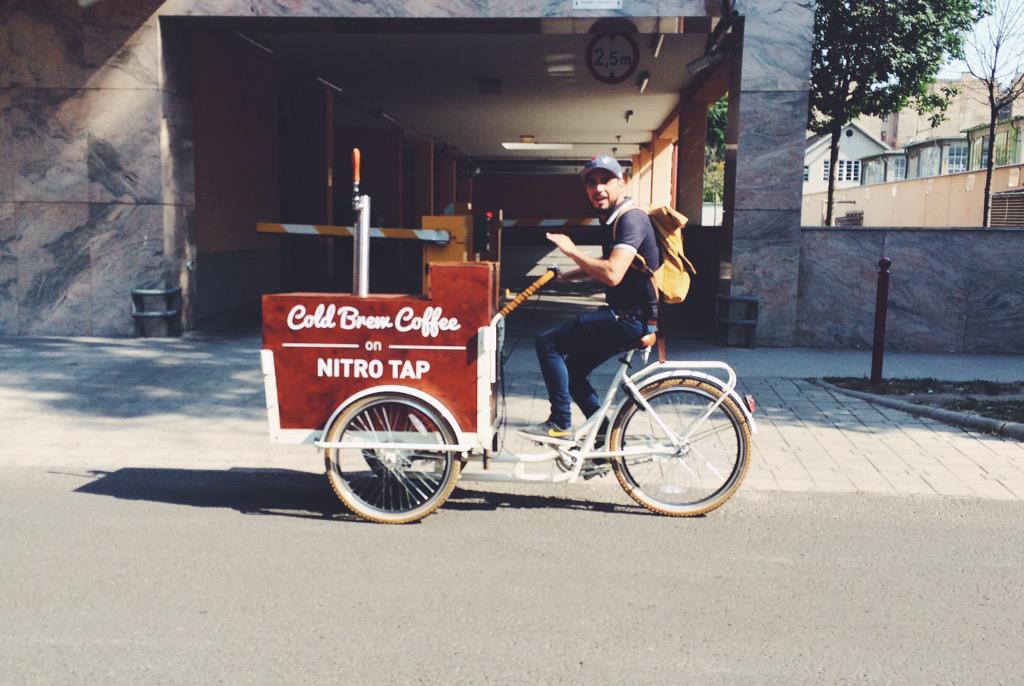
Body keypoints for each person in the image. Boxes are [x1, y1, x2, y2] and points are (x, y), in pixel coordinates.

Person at [519, 154, 661, 443]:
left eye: (606, 180)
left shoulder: (630, 219)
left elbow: (612, 273)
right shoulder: (614, 219)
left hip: (630, 320)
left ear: (621, 183)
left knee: (547, 343)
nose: (598, 189)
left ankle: (560, 422)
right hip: (631, 317)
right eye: (591, 183)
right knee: (573, 370)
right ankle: (604, 433)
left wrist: (571, 250)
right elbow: (607, 261)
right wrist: (566, 276)